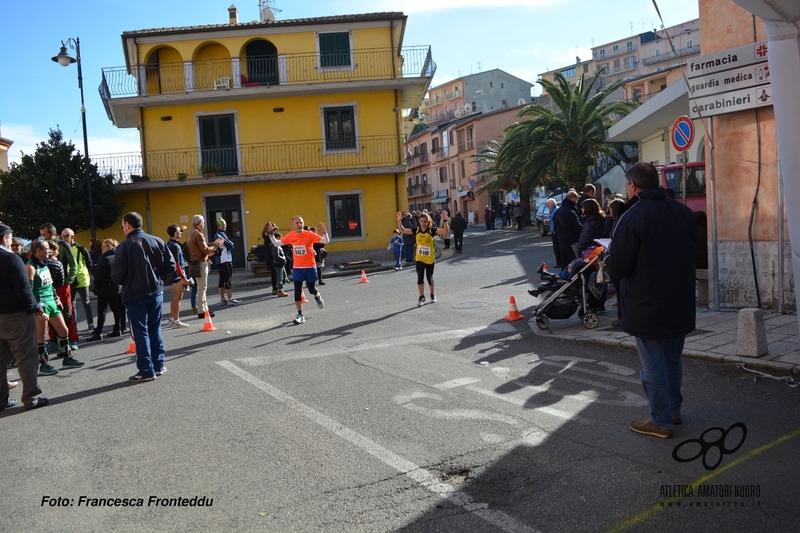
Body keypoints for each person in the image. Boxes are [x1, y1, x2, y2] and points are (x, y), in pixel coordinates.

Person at [605, 162, 697, 439]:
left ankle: (660, 421)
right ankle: (673, 410)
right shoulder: (683, 212)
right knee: (672, 360)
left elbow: (619, 266)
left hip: (647, 303)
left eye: (627, 185)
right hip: (679, 299)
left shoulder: (632, 217)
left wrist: (608, 260)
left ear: (633, 186)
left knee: (653, 365)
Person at [111, 212, 176, 382]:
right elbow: (170, 265)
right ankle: (159, 364)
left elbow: (117, 275)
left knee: (140, 332)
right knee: (155, 329)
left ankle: (147, 370)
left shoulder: (124, 246)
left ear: (127, 225)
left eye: (122, 225)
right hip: (155, 292)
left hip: (134, 295)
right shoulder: (158, 240)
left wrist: (129, 280)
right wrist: (158, 277)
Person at [0, 224, 49, 410]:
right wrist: (33, 309)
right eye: (11, 237)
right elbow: (24, 289)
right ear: (5, 238)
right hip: (16, 315)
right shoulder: (11, 259)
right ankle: (31, 398)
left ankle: (1, 400)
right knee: (26, 357)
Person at [26, 241, 85, 375]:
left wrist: (56, 297)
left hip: (51, 301)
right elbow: (28, 291)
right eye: (47, 249)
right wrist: (38, 310)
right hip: (41, 304)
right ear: (38, 251)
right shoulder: (30, 267)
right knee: (41, 336)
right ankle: (44, 364)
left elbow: (50, 283)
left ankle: (67, 358)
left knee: (63, 330)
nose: (50, 251)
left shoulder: (46, 263)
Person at [266, 217, 329, 324]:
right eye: (297, 223)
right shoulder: (291, 235)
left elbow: (325, 241)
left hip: (310, 267)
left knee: (311, 289)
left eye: (301, 223)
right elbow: (277, 243)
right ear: (293, 225)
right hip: (298, 267)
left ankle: (317, 295)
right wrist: (271, 235)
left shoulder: (309, 234)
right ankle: (300, 314)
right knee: (297, 290)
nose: (299, 224)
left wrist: (324, 233)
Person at [396, 210, 449, 306]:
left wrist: (445, 220)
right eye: (421, 221)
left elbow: (445, 231)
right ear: (419, 221)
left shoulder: (431, 230)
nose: (423, 223)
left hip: (429, 259)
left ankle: (432, 294)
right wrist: (399, 221)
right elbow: (403, 230)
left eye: (425, 222)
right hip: (419, 259)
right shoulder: (416, 230)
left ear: (428, 222)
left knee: (430, 278)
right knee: (420, 278)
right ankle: (421, 296)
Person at [186, 215, 225, 320]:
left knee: (201, 287)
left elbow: (201, 247)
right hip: (201, 263)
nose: (204, 224)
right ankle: (202, 311)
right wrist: (216, 245)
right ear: (200, 223)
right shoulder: (198, 234)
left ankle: (204, 309)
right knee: (202, 288)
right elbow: (206, 250)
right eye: (203, 222)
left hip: (194, 262)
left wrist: (213, 243)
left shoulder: (190, 233)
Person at [89, 239, 126, 340]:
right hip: (116, 287)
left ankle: (98, 332)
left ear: (110, 247)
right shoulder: (118, 256)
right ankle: (117, 329)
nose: (102, 249)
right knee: (116, 308)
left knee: (101, 310)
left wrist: (95, 283)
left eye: (104, 246)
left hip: (105, 288)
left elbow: (99, 275)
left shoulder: (106, 259)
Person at [61, 229, 95, 333]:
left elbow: (89, 263)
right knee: (71, 304)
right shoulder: (62, 249)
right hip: (69, 279)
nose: (64, 238)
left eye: (67, 235)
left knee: (86, 302)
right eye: (63, 236)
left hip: (82, 278)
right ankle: (74, 327)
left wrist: (88, 275)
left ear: (73, 236)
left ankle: (91, 324)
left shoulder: (81, 248)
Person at [165, 226, 191, 328]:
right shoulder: (175, 247)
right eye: (179, 231)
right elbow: (177, 264)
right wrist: (184, 277)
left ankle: (172, 319)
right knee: (178, 298)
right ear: (175, 233)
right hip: (178, 276)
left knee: (174, 298)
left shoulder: (171, 244)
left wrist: (182, 229)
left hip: (174, 275)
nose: (180, 232)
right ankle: (176, 320)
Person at [214, 218, 240, 306]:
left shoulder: (217, 234)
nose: (224, 226)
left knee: (221, 279)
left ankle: (222, 299)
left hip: (220, 260)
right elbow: (230, 245)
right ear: (218, 226)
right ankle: (230, 299)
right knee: (228, 279)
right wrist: (230, 243)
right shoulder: (220, 234)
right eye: (222, 225)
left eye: (225, 224)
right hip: (225, 259)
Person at [552, 191, 582, 264]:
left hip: (561, 241)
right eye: (576, 199)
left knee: (565, 265)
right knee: (575, 264)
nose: (576, 202)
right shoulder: (570, 212)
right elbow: (577, 228)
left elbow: (555, 227)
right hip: (571, 241)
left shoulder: (557, 212)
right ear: (573, 199)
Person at [270, 232, 289, 297]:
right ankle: (279, 290)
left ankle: (281, 289)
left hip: (280, 263)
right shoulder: (276, 246)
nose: (281, 240)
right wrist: (283, 259)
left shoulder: (278, 246)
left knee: (283, 276)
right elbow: (276, 255)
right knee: (280, 278)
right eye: (280, 238)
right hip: (278, 263)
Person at [546, 199, 562, 267]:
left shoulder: (556, 210)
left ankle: (559, 263)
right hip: (554, 231)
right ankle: (559, 262)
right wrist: (549, 221)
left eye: (548, 205)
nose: (547, 207)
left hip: (556, 232)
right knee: (556, 248)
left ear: (552, 204)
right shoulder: (553, 210)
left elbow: (557, 221)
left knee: (558, 248)